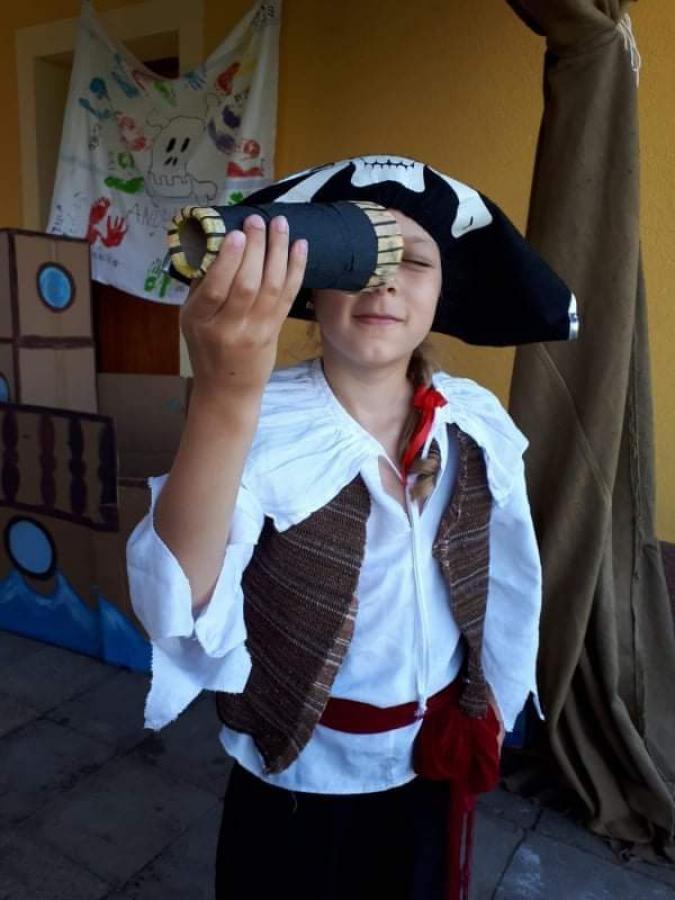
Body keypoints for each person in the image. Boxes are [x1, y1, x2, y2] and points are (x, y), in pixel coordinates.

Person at [125, 155, 577, 900]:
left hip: (427, 760)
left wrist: (493, 699)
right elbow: (177, 601)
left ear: (443, 290)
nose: (386, 280)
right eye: (362, 257)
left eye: (415, 260)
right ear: (313, 284)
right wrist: (225, 399)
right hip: (297, 774)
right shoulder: (263, 423)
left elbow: (509, 576)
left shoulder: (474, 421)